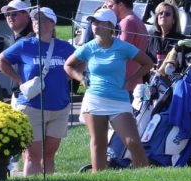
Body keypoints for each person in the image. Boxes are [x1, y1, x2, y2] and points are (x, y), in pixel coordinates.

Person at [64, 9, 152, 171]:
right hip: (94, 99)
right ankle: (99, 179)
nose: (95, 25)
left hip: (119, 101)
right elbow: (68, 66)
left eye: (99, 22)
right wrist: (81, 78)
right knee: (99, 142)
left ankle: (143, 177)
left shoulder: (124, 47)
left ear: (111, 25)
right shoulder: (88, 47)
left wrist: (131, 79)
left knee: (132, 141)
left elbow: (148, 63)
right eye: (93, 22)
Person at [0, 7, 75, 176]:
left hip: (59, 107)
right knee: (32, 155)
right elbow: (1, 60)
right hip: (32, 106)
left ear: (53, 24)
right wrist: (20, 81)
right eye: (36, 20)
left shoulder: (65, 47)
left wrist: (70, 77)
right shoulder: (25, 45)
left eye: (44, 20)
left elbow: (80, 62)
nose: (39, 23)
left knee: (50, 155)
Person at [102, 0, 151, 96]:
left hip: (125, 84)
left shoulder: (127, 22)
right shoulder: (137, 21)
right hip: (136, 83)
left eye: (111, 6)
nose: (108, 9)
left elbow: (119, 52)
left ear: (120, 5)